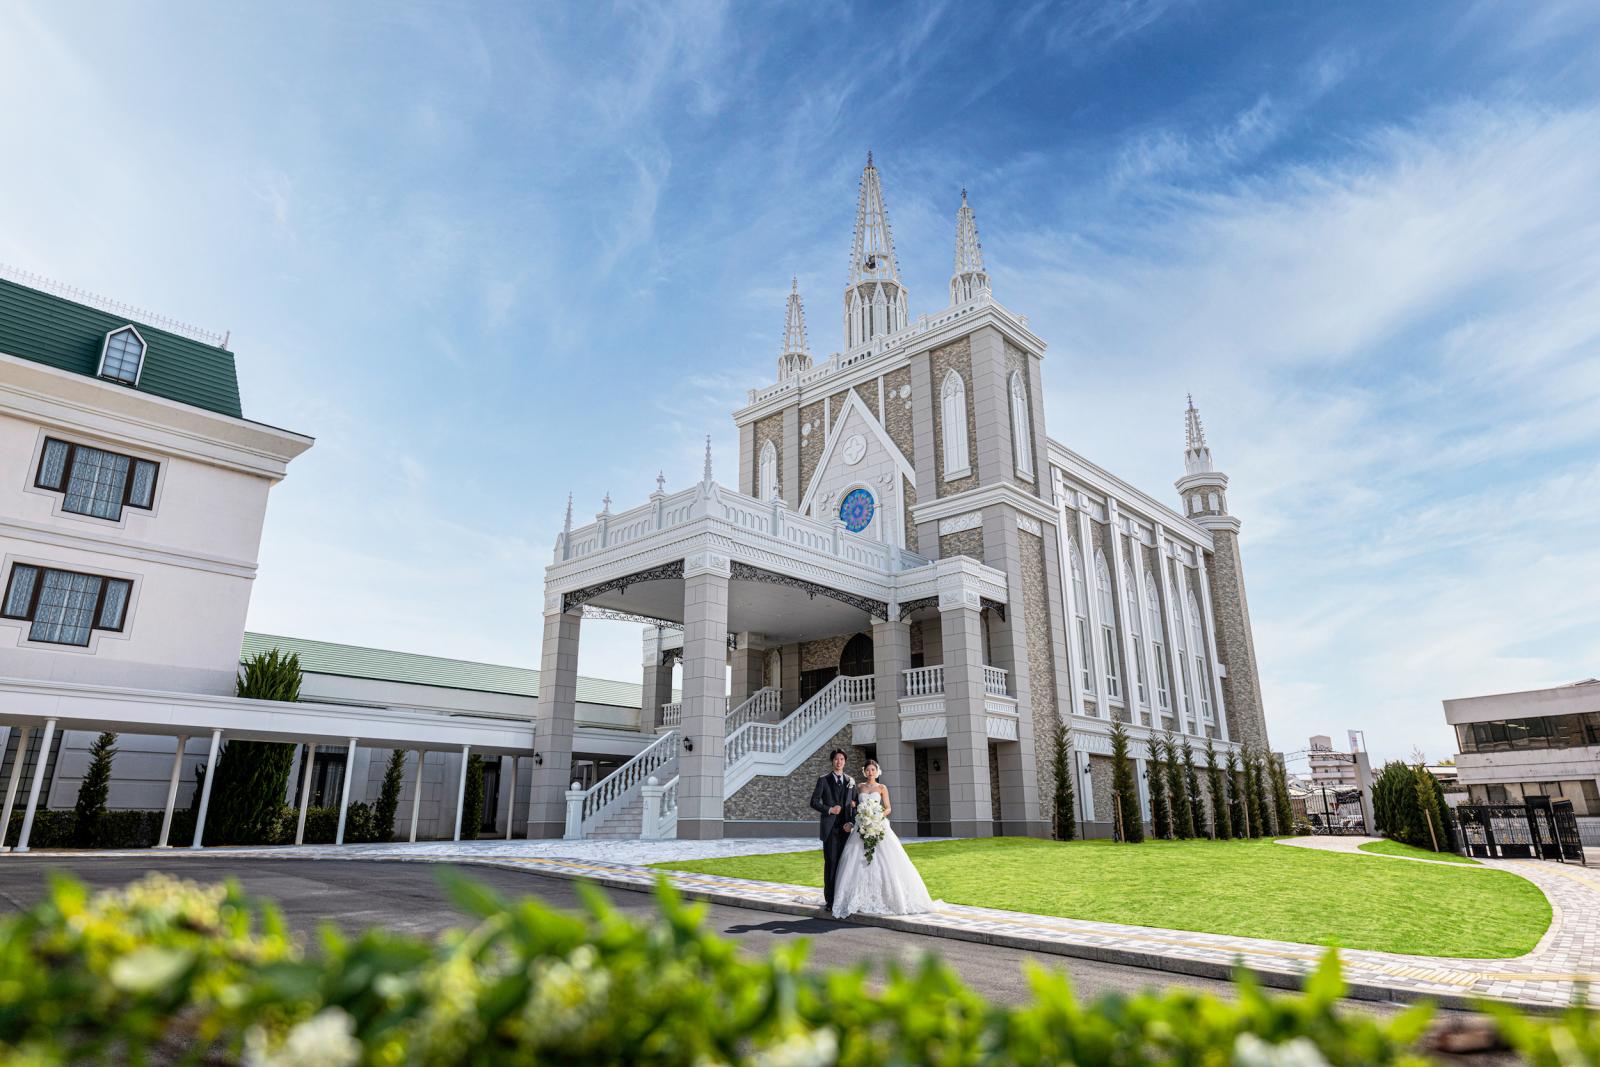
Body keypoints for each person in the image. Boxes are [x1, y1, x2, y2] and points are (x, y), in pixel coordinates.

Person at [831, 757, 935, 918]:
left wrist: (876, 814)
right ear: (864, 771)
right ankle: (857, 897)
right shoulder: (859, 787)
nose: (870, 772)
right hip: (862, 825)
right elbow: (854, 805)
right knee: (857, 860)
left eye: (873, 769)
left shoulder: (882, 788)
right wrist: (857, 810)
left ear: (877, 771)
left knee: (886, 860)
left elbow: (888, 808)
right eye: (867, 770)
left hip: (878, 825)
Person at [809, 749, 856, 911]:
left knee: (845, 865)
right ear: (832, 761)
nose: (839, 761)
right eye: (836, 759)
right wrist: (829, 809)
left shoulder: (851, 781)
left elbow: (855, 804)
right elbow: (814, 802)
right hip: (830, 829)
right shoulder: (823, 780)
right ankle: (830, 900)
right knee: (831, 863)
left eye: (842, 759)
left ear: (845, 761)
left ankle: (842, 897)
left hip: (846, 829)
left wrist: (851, 822)